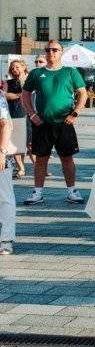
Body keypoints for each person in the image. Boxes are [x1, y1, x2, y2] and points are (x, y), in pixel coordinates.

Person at [21, 40, 88, 205]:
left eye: (55, 50)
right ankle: (37, 193)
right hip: (42, 123)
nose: (51, 52)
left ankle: (72, 191)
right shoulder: (36, 73)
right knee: (41, 158)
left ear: (61, 52)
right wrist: (32, 114)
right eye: (48, 50)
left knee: (67, 158)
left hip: (64, 123)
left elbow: (83, 93)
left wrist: (75, 113)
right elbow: (25, 94)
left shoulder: (70, 72)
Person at [5, 60, 30, 179]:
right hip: (15, 114)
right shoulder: (8, 82)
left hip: (31, 115)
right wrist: (18, 95)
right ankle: (21, 167)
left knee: (30, 143)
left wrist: (22, 81)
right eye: (12, 68)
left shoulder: (31, 80)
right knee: (16, 143)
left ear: (23, 67)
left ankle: (40, 167)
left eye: (17, 67)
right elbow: (4, 95)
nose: (14, 69)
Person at [0, 91, 16, 255]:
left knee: (4, 198)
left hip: (1, 155)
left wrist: (2, 152)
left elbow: (5, 124)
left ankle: (6, 239)